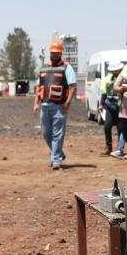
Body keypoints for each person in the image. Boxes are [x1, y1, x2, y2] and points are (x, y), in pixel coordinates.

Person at [33, 41, 76, 170]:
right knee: (46, 133)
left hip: (59, 106)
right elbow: (38, 88)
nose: (55, 55)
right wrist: (36, 103)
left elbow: (73, 86)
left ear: (61, 53)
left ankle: (56, 160)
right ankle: (59, 153)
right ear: (50, 53)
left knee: (57, 133)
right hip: (45, 105)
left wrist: (68, 102)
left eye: (57, 53)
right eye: (53, 53)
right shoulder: (43, 69)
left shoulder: (67, 68)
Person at [98, 60, 125, 155]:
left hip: (121, 107)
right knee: (107, 126)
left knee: (120, 128)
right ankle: (108, 147)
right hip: (109, 105)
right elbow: (104, 92)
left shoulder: (125, 78)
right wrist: (101, 104)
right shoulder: (107, 79)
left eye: (115, 70)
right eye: (112, 70)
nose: (114, 72)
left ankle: (120, 149)